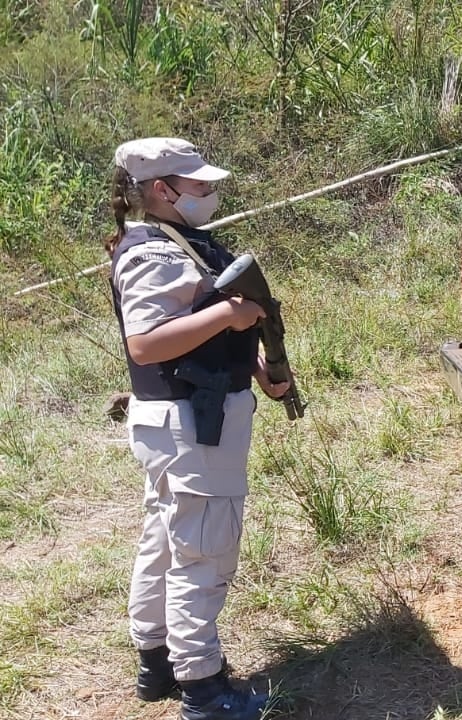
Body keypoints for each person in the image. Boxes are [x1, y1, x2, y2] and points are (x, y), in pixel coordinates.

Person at [107, 137, 290, 719]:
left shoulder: (178, 241)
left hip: (187, 417)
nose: (211, 194)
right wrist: (231, 315)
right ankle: (204, 689)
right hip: (192, 423)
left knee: (167, 540)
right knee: (204, 553)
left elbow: (199, 327)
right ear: (162, 191)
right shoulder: (151, 254)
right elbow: (146, 340)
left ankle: (157, 662)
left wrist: (255, 363)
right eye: (200, 186)